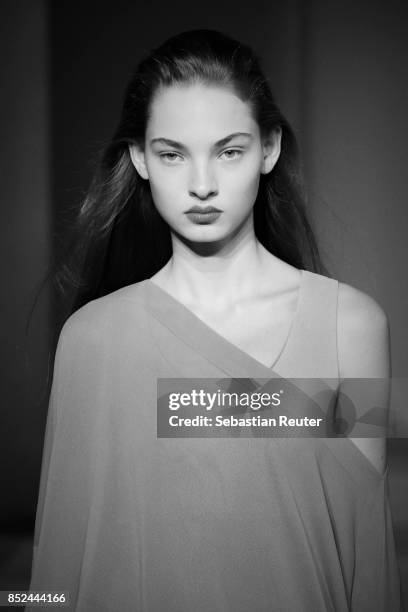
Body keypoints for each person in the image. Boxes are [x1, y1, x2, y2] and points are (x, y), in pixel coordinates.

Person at [26, 30, 402, 611]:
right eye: (172, 153)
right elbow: (58, 567)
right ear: (139, 159)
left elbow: (364, 545)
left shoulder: (351, 327)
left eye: (229, 151)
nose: (202, 184)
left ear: (269, 148)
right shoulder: (92, 340)